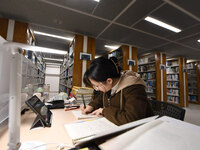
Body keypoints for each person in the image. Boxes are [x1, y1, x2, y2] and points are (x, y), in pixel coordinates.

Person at [81, 56, 153, 125]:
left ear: (109, 81)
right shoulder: (108, 87)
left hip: (141, 131)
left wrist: (104, 111)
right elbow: (100, 99)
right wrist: (91, 106)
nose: (97, 89)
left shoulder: (134, 88)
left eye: (97, 86)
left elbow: (132, 119)